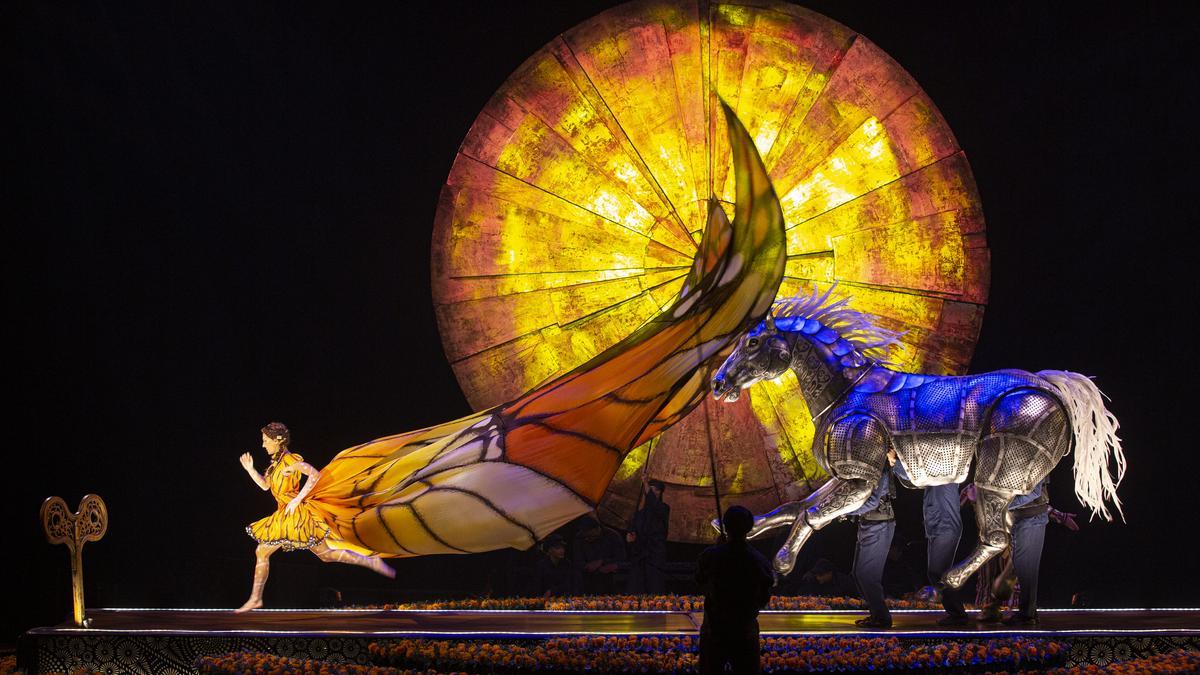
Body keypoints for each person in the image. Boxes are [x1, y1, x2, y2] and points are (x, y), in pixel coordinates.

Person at [237, 422, 395, 612]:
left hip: (294, 515)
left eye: (265, 441)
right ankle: (370, 561)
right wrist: (250, 469)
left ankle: (255, 599)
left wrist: (297, 500)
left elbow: (314, 475)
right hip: (285, 513)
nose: (263, 445)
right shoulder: (275, 465)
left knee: (263, 551)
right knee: (325, 555)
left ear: (277, 441)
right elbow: (265, 486)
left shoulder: (289, 461)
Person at [962, 480, 1078, 625]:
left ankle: (1025, 611)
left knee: (1014, 569)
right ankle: (990, 607)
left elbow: (1033, 499)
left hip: (1015, 527)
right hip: (993, 532)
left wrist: (1059, 515)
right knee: (988, 568)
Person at [696, 505, 774, 675]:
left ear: (725, 526)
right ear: (749, 528)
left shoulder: (711, 556)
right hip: (745, 632)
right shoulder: (759, 560)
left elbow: (700, 581)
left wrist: (717, 550)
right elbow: (764, 596)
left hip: (715, 632)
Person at [849, 467, 896, 628]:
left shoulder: (880, 470)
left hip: (879, 525)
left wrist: (845, 510)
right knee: (857, 573)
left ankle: (882, 618)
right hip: (868, 524)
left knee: (867, 576)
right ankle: (876, 614)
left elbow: (872, 502)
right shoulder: (867, 469)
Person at [627, 479, 670, 594]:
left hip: (655, 556)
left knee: (655, 589)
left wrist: (646, 484)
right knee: (637, 590)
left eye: (657, 490)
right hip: (640, 557)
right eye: (651, 489)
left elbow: (654, 504)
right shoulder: (640, 514)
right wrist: (631, 537)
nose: (653, 492)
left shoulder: (664, 509)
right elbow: (633, 532)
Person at [573, 515, 626, 594]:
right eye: (585, 536)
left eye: (590, 536)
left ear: (597, 529)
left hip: (610, 576)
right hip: (588, 577)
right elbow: (577, 560)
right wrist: (587, 566)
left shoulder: (612, 536)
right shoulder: (580, 538)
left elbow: (622, 558)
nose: (587, 539)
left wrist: (602, 562)